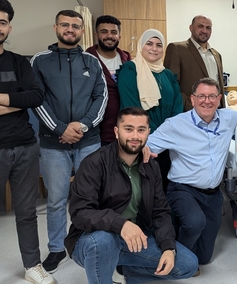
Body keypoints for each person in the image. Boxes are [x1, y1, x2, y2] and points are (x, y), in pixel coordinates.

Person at [65, 107, 198, 284]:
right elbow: (80, 212)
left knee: (188, 264)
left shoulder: (151, 166)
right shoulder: (94, 163)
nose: (135, 136)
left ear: (148, 133)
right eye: (128, 129)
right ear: (116, 131)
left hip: (135, 238)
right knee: (104, 242)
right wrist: (121, 224)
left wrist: (168, 247)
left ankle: (126, 271)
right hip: (93, 238)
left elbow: (160, 211)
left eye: (141, 130)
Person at [144, 78, 237, 265]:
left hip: (214, 194)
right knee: (194, 224)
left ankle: (186, 252)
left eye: (212, 96)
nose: (207, 101)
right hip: (183, 189)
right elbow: (147, 146)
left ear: (218, 99)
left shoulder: (228, 117)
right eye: (201, 96)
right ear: (192, 99)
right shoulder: (175, 124)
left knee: (205, 259)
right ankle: (177, 260)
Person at [31, 9, 108, 273]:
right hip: (54, 144)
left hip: (88, 141)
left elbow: (102, 98)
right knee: (56, 199)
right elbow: (35, 98)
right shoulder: (40, 61)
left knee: (92, 196)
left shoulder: (92, 61)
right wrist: (60, 128)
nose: (70, 29)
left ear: (82, 31)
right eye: (65, 25)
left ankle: (90, 240)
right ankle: (56, 248)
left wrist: (84, 125)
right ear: (56, 28)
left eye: (75, 26)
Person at [0, 0, 54, 284]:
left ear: (9, 27)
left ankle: (33, 265)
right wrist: (16, 101)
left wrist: (3, 100)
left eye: (3, 22)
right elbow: (25, 98)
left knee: (27, 213)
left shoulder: (19, 62)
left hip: (24, 146)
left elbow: (35, 96)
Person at [118, 29, 183, 192]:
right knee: (144, 190)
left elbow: (177, 105)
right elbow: (131, 108)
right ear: (141, 46)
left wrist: (169, 132)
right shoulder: (130, 70)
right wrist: (154, 135)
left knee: (165, 187)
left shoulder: (168, 74)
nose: (154, 48)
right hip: (142, 140)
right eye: (149, 43)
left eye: (159, 45)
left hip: (168, 142)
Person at [86, 15, 131, 145]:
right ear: (96, 35)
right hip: (95, 132)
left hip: (124, 130)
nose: (109, 36)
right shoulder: (86, 60)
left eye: (113, 32)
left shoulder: (128, 62)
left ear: (119, 36)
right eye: (104, 32)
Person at [164, 15, 225, 110]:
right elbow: (171, 86)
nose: (204, 31)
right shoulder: (177, 49)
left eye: (208, 28)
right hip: (189, 113)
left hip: (215, 112)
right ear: (191, 28)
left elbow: (219, 86)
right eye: (200, 26)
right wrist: (191, 106)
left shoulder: (217, 55)